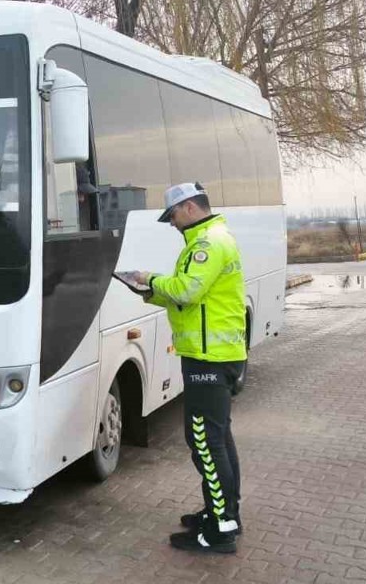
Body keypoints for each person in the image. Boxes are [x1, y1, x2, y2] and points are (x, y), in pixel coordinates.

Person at [133, 183, 248, 554]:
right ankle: (224, 512)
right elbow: (189, 302)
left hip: (208, 360)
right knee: (218, 439)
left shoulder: (207, 244)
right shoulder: (213, 238)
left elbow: (186, 292)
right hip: (217, 355)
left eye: (172, 217)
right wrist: (151, 293)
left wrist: (148, 279)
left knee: (204, 442)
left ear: (186, 208)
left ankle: (219, 531)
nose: (172, 225)